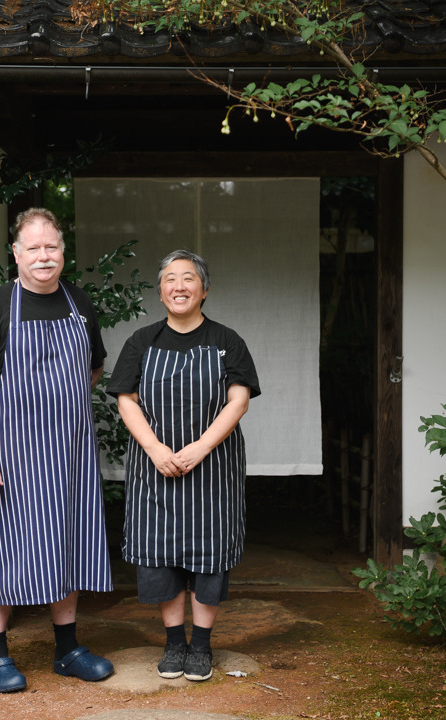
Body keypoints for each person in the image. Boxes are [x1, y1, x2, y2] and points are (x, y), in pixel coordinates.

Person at [0, 208, 113, 693]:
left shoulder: (79, 303)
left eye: (52, 247)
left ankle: (67, 650)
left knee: (69, 541)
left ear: (63, 252)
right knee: (5, 547)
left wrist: (61, 406)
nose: (44, 256)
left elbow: (94, 368)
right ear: (16, 254)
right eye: (34, 248)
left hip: (70, 453)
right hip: (14, 454)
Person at [107, 249, 260, 682]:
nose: (179, 286)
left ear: (204, 289)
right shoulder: (141, 342)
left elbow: (239, 400)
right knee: (160, 555)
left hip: (213, 468)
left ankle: (201, 648)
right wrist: (156, 448)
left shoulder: (227, 340)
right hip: (154, 466)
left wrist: (202, 447)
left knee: (209, 555)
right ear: (160, 292)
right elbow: (126, 399)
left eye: (188, 278)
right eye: (170, 279)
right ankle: (174, 644)